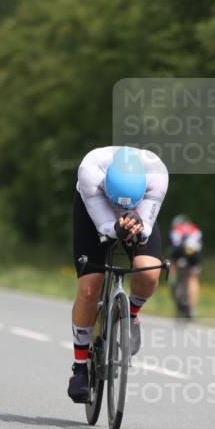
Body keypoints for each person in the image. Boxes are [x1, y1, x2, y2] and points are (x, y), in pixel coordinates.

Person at [67, 146, 169, 403]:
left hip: (140, 210)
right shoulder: (91, 172)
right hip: (93, 211)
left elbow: (145, 228)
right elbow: (103, 226)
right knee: (90, 286)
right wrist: (115, 228)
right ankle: (80, 367)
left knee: (149, 272)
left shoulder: (156, 175)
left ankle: (132, 315)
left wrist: (139, 228)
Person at [169, 214, 203, 318]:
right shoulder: (195, 229)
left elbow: (174, 246)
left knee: (173, 262)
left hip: (180, 250)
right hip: (194, 253)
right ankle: (192, 308)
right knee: (193, 277)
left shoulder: (176, 229)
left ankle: (173, 282)